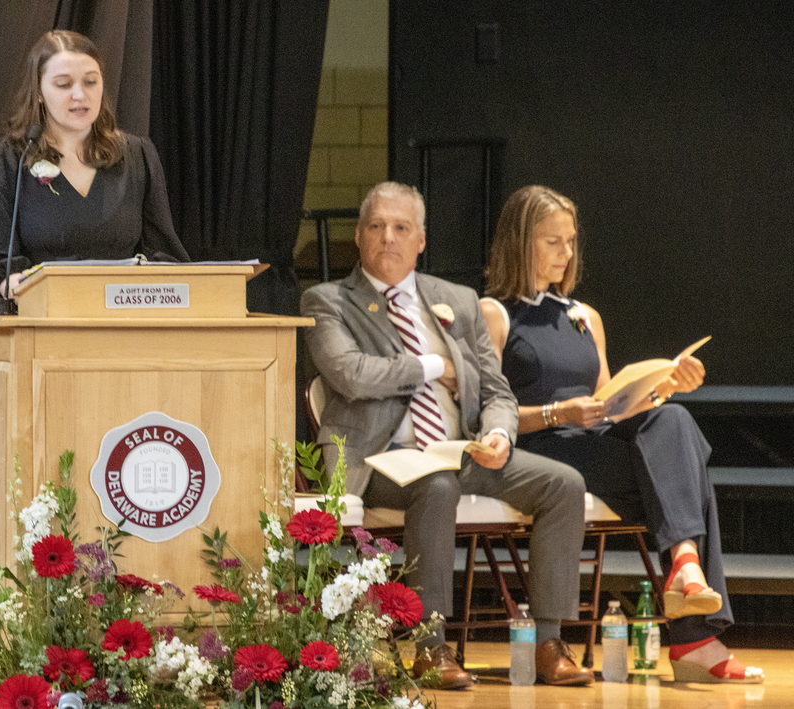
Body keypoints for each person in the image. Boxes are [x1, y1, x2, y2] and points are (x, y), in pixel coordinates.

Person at [301, 182, 593, 689]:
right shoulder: (328, 301)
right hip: (381, 460)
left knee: (563, 484)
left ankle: (547, 644)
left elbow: (497, 390)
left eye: (401, 228)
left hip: (462, 451)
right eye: (376, 226)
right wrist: (433, 365)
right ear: (359, 236)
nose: (388, 238)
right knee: (436, 486)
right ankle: (431, 648)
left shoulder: (456, 300)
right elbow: (351, 374)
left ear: (421, 240)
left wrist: (500, 432)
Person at [480, 184, 764, 684]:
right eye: (553, 242)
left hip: (594, 444)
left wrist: (660, 389)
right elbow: (486, 412)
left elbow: (612, 402)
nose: (567, 254)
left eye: (571, 242)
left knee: (673, 419)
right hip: (539, 451)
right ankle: (695, 636)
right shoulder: (494, 314)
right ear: (520, 242)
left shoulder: (584, 317)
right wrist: (558, 412)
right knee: (684, 473)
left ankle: (686, 566)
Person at [0, 30, 189, 302]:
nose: (79, 95)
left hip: (124, 323)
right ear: (38, 92)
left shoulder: (137, 156)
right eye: (63, 84)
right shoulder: (6, 160)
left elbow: (162, 255)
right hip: (40, 320)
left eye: (91, 82)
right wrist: (16, 284)